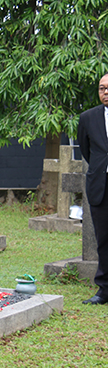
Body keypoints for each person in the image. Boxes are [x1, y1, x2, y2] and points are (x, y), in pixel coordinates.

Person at [77, 73, 108, 306]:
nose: (105, 92)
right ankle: (104, 289)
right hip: (101, 185)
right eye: (101, 88)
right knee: (103, 239)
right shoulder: (88, 118)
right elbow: (86, 151)